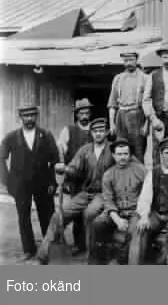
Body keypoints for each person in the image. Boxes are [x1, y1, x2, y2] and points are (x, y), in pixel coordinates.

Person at [36, 118, 113, 264]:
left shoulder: (113, 150)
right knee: (59, 215)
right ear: (91, 133)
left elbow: (128, 162)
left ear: (107, 132)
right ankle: (44, 254)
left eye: (101, 131)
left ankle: (92, 258)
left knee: (90, 214)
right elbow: (74, 168)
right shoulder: (85, 150)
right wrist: (64, 168)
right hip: (86, 193)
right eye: (95, 131)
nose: (98, 134)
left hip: (103, 194)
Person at [0, 105, 59, 262]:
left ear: (36, 116)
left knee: (46, 215)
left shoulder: (45, 135)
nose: (29, 119)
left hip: (43, 182)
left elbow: (55, 159)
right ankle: (29, 250)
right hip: (20, 184)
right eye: (26, 116)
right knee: (23, 217)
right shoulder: (12, 137)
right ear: (20, 117)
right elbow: (1, 157)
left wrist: (53, 181)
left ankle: (49, 248)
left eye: (32, 115)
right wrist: (6, 181)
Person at [89, 138, 147, 264]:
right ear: (114, 155)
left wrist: (141, 213)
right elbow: (108, 200)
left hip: (135, 211)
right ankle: (96, 261)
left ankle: (121, 258)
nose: (123, 157)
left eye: (126, 154)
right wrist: (117, 219)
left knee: (133, 230)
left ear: (130, 154)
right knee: (97, 224)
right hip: (116, 211)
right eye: (119, 154)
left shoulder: (141, 170)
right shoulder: (109, 174)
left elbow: (147, 195)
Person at [129, 138, 168, 264]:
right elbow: (145, 197)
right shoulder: (152, 173)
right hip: (156, 214)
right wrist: (144, 216)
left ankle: (162, 262)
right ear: (161, 154)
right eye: (167, 153)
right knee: (139, 228)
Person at [55, 98, 94, 253]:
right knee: (77, 213)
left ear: (90, 113)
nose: (84, 115)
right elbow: (61, 151)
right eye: (81, 113)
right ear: (77, 115)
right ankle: (79, 244)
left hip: (92, 177)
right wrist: (63, 171)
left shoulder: (96, 129)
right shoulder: (68, 130)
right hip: (75, 177)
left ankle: (92, 245)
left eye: (86, 112)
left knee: (91, 212)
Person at [107, 51, 148, 161]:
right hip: (120, 116)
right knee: (121, 149)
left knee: (138, 150)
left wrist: (146, 124)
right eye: (126, 61)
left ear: (136, 60)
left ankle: (139, 176)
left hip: (137, 115)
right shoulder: (118, 78)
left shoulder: (145, 78)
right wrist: (112, 124)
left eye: (131, 60)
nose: (128, 63)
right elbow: (112, 103)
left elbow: (149, 104)